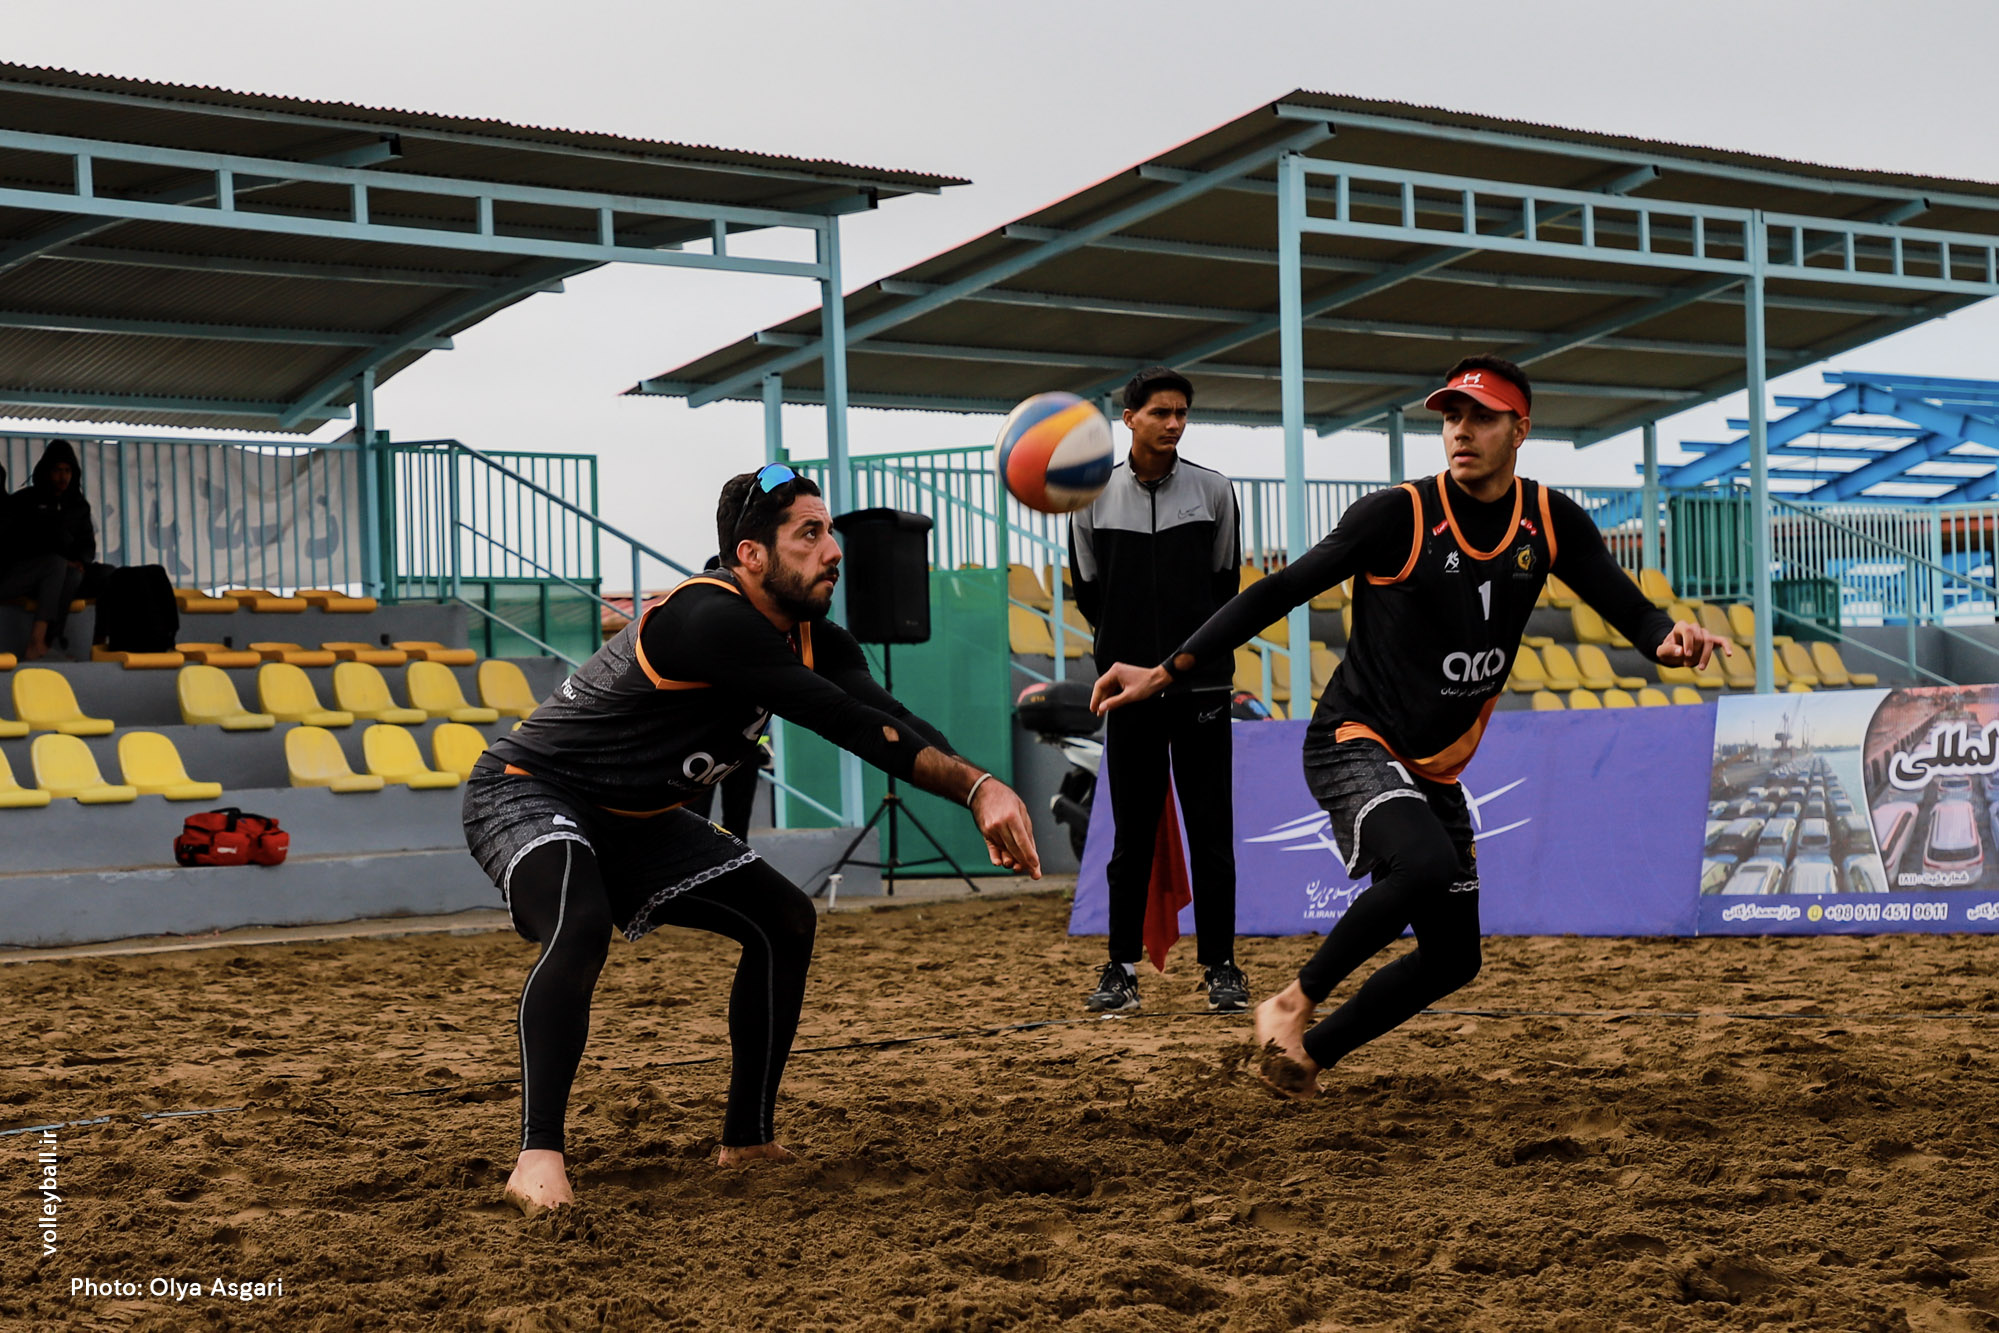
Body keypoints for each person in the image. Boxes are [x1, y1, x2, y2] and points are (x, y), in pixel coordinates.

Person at [1090, 355, 1733, 1097]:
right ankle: (1290, 1002)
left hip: (1435, 765)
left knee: (1455, 957)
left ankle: (1308, 1057)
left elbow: (1631, 611)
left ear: (1520, 429)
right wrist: (1164, 670)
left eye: (1481, 418)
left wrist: (1667, 640)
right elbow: (1277, 591)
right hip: (1352, 739)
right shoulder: (1397, 515)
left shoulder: (1549, 518)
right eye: (1451, 417)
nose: (1460, 431)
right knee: (1423, 864)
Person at [463, 464, 1040, 1214]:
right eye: (810, 533)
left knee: (784, 918)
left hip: (637, 818)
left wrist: (981, 781)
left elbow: (889, 716)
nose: (833, 549)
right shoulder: (709, 617)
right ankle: (536, 1158)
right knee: (579, 922)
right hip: (528, 789)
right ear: (751, 555)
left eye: (829, 531)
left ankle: (748, 1139)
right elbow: (847, 724)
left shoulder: (816, 640)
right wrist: (974, 789)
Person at [1069, 366, 1248, 1015]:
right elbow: (1089, 592)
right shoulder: (1091, 497)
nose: (1173, 423)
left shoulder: (1215, 490)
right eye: (1160, 413)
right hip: (1129, 695)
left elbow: (1224, 588)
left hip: (1203, 689)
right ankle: (1120, 968)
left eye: (1181, 413)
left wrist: (1183, 661)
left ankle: (1222, 966)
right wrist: (1131, 657)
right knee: (1131, 837)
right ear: (1130, 419)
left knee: (1211, 833)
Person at [1, 440, 93, 660]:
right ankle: (37, 642)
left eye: (67, 471)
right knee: (56, 564)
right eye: (57, 470)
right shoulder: (24, 501)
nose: (63, 477)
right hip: (20, 575)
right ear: (46, 472)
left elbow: (87, 544)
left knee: (101, 575)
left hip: (60, 576)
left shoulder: (79, 506)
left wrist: (81, 560)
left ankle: (59, 642)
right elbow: (13, 544)